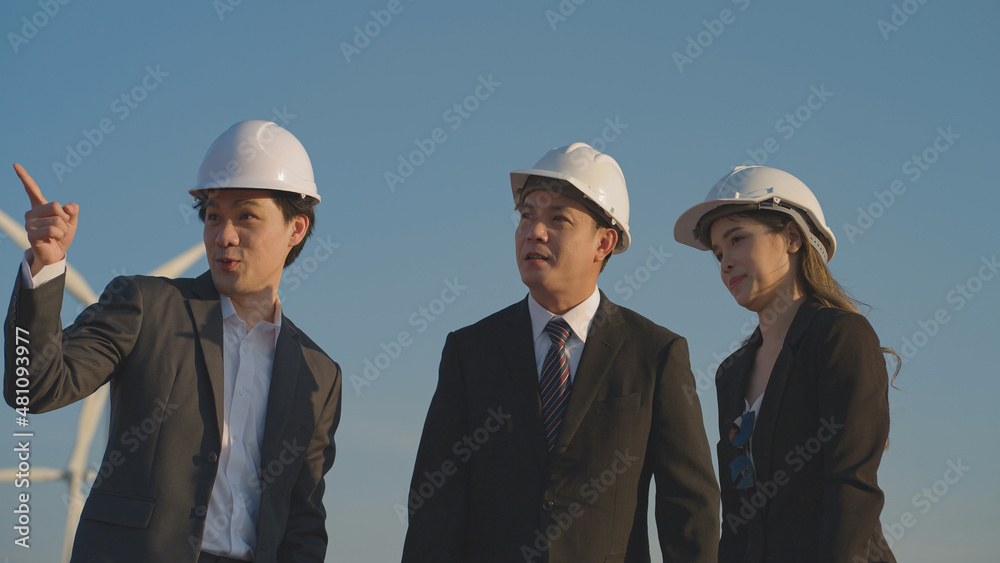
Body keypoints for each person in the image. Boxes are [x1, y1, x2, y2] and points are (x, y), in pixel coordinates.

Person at [3, 120, 342, 563]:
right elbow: (33, 388)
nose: (224, 236)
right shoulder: (146, 305)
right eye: (214, 215)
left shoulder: (319, 374)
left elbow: (303, 521)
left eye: (246, 216)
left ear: (296, 229)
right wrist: (46, 266)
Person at [401, 143, 720, 563]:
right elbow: (435, 506)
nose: (533, 232)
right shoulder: (470, 351)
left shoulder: (656, 354)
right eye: (527, 216)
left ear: (603, 242)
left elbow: (690, 511)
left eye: (558, 220)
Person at [673, 165, 897, 562]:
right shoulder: (731, 372)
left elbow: (852, 487)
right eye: (718, 253)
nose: (725, 262)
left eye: (737, 239)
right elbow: (736, 518)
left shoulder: (841, 337)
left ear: (792, 237)